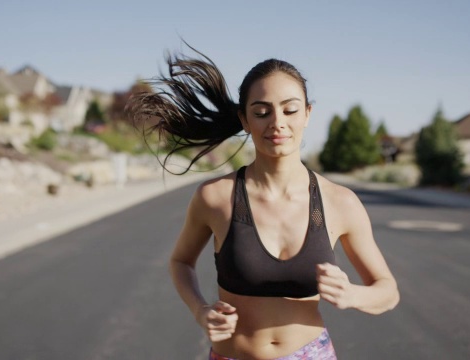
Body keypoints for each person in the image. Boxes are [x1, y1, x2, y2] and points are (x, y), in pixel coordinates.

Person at [128, 47, 400, 360]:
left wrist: (353, 295)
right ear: (244, 119)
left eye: (290, 110)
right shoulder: (216, 197)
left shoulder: (340, 202)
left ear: (308, 114)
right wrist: (200, 311)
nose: (277, 123)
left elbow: (387, 291)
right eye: (261, 112)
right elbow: (180, 262)